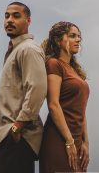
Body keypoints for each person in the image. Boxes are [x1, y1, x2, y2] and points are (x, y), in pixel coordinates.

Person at [0, 1, 48, 173]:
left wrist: (17, 127)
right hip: (10, 137)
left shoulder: (28, 50)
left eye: (16, 16)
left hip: (19, 138)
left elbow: (37, 89)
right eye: (6, 16)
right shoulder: (16, 49)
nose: (9, 20)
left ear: (28, 21)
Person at [39, 21, 90, 173]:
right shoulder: (54, 64)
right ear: (58, 40)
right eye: (72, 36)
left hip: (77, 142)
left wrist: (85, 142)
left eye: (79, 37)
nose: (78, 40)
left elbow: (81, 111)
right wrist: (69, 141)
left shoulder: (75, 71)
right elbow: (53, 104)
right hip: (59, 139)